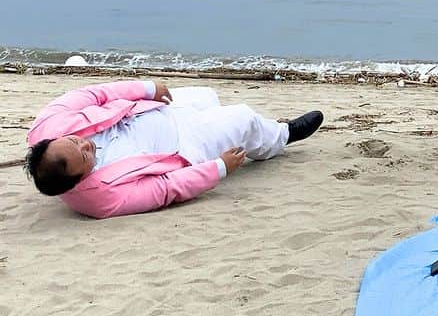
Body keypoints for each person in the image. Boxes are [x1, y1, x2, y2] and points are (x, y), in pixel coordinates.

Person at [24, 79, 324, 218]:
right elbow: (164, 189)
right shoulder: (98, 199)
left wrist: (146, 89)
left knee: (209, 95)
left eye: (77, 141)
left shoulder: (49, 125)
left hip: (149, 110)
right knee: (243, 118)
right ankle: (282, 136)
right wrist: (217, 168)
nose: (86, 144)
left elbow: (95, 93)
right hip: (182, 145)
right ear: (78, 180)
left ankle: (259, 131)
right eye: (86, 156)